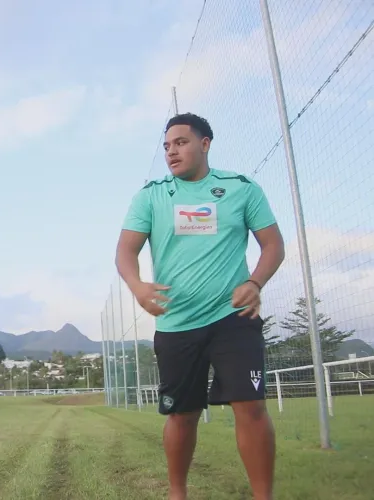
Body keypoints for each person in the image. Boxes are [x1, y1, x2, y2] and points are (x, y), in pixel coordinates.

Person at [115, 113, 285, 500]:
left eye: (181, 142)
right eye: (166, 146)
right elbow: (125, 251)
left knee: (251, 406)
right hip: (177, 324)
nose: (171, 152)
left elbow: (273, 245)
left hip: (233, 318)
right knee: (181, 413)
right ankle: (178, 493)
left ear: (205, 144)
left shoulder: (241, 189)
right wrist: (138, 286)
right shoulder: (151, 196)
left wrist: (254, 282)